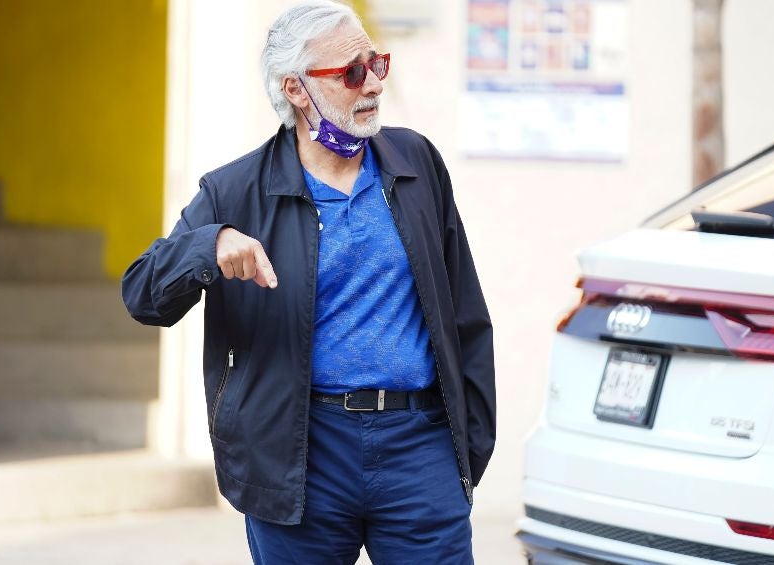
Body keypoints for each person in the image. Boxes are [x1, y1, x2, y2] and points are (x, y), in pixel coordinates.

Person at [121, 2, 495, 563]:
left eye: (377, 64)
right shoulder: (236, 192)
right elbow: (142, 294)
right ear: (296, 89)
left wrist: (466, 447)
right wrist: (208, 246)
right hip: (300, 453)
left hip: (419, 448)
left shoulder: (416, 163)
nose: (373, 84)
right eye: (352, 72)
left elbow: (465, 308)